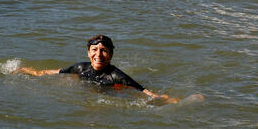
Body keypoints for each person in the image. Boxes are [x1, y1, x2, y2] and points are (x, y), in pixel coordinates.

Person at [17, 35, 174, 101]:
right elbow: (50, 72)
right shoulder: (80, 68)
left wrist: (164, 99)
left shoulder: (117, 76)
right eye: (94, 50)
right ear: (88, 53)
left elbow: (144, 91)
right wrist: (29, 71)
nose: (98, 54)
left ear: (111, 55)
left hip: (110, 90)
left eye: (104, 50)